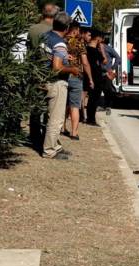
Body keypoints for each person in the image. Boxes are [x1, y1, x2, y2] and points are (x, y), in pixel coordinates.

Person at [42, 11, 80, 160]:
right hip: (56, 83)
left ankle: (55, 146)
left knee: (50, 117)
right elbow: (56, 67)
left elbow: (49, 57)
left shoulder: (45, 36)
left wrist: (64, 57)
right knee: (56, 119)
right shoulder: (59, 42)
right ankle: (50, 150)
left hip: (43, 79)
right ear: (67, 27)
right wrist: (72, 69)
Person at [28, 2, 59, 150]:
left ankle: (33, 135)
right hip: (49, 74)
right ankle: (46, 139)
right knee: (50, 109)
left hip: (34, 71)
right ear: (55, 15)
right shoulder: (55, 32)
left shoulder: (32, 29)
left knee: (35, 107)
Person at [64, 21, 93, 140]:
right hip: (76, 76)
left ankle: (62, 128)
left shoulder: (62, 40)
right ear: (75, 30)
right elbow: (85, 63)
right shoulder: (79, 43)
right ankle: (74, 133)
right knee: (74, 105)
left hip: (63, 73)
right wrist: (90, 78)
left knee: (64, 104)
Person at [84, 31, 105, 126]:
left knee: (91, 98)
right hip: (95, 77)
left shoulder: (86, 49)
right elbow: (104, 60)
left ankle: (90, 118)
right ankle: (91, 119)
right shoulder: (95, 50)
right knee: (94, 99)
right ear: (98, 39)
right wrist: (102, 49)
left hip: (89, 75)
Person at [100, 37, 121, 115]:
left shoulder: (109, 48)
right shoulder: (96, 47)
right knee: (101, 90)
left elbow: (118, 58)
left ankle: (108, 106)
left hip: (107, 73)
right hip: (98, 72)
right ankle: (103, 106)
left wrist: (112, 68)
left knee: (108, 90)